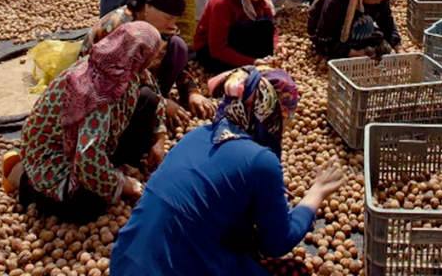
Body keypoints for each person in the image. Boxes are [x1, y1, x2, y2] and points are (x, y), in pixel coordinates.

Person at [109, 67, 346, 276]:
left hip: (124, 261)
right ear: (271, 113)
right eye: (288, 118)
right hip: (180, 267)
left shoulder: (197, 135)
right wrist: (317, 192)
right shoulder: (261, 161)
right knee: (293, 271)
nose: (289, 126)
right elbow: (276, 244)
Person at [0, 22, 166, 225]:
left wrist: (160, 136)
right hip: (55, 153)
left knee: (147, 99)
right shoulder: (97, 88)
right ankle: (22, 178)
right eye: (154, 53)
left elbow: (153, 91)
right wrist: (121, 184)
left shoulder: (124, 62)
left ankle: (107, 170)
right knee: (88, 206)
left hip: (92, 141)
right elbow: (87, 155)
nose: (156, 59)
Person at [84, 0, 216, 128]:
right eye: (168, 18)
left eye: (175, 19)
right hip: (102, 85)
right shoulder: (121, 28)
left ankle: (153, 101)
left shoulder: (160, 25)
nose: (171, 24)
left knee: (178, 46)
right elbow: (113, 78)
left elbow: (180, 63)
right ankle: (144, 107)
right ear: (148, 6)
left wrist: (192, 92)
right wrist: (160, 102)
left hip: (139, 77)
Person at [194, 0, 279, 75]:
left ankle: (254, 61)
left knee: (266, 24)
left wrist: (276, 45)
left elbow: (271, 27)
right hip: (211, 52)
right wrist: (252, 62)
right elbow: (217, 48)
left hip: (236, 42)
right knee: (246, 28)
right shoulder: (222, 3)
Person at [308, 0, 403, 60]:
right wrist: (362, 53)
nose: (380, 2)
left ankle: (355, 44)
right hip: (325, 33)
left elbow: (387, 21)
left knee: (384, 47)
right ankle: (352, 51)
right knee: (365, 24)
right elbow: (326, 35)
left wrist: (398, 48)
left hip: (352, 25)